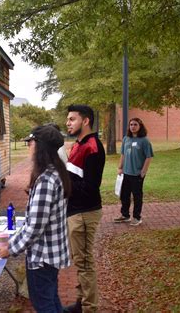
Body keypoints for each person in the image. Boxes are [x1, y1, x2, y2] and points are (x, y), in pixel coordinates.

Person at [0, 124, 71, 312]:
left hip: (43, 257)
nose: (28, 146)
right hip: (50, 254)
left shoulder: (46, 180)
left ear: (40, 147)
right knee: (51, 299)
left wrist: (10, 249)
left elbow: (35, 227)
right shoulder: (55, 172)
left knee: (44, 304)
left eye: (30, 143)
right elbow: (34, 222)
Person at [63, 105, 105, 313]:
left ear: (85, 121)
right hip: (75, 211)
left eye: (72, 119)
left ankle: (89, 308)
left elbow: (90, 187)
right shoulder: (78, 145)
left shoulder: (93, 147)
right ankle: (81, 304)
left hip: (85, 213)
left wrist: (64, 185)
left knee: (85, 262)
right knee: (80, 261)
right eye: (68, 119)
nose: (68, 123)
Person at [114, 118, 153, 226]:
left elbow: (149, 157)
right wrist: (120, 168)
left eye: (135, 124)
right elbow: (123, 154)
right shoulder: (126, 139)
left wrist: (143, 171)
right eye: (131, 124)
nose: (132, 126)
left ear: (140, 126)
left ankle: (137, 217)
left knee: (137, 196)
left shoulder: (144, 140)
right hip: (126, 173)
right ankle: (125, 215)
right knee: (124, 195)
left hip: (137, 174)